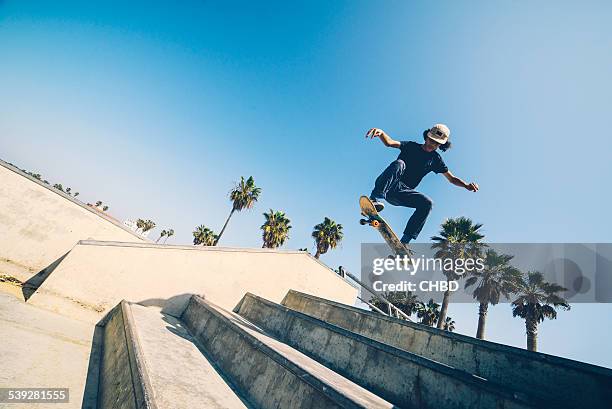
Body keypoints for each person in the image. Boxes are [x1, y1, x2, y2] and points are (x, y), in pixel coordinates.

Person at [366, 124, 478, 245]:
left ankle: (405, 242)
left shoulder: (436, 159)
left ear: (440, 145)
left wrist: (466, 185)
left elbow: (451, 178)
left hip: (401, 194)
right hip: (388, 184)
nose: (432, 145)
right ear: (426, 137)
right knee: (399, 164)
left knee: (427, 203)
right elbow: (390, 142)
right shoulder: (411, 146)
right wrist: (381, 133)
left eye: (436, 144)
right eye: (431, 141)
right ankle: (374, 200)